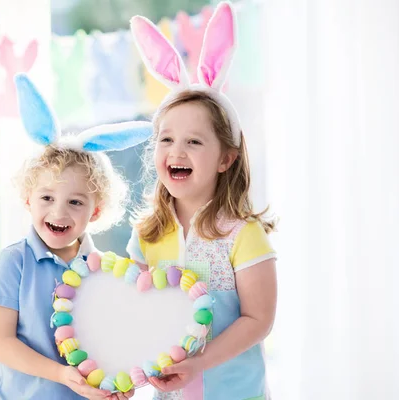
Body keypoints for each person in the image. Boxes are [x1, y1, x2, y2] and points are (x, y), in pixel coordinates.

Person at [127, 3, 277, 399]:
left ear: (226, 158)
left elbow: (258, 319)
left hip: (234, 392)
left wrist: (200, 363)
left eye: (194, 141)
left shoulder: (244, 235)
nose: (177, 151)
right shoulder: (146, 233)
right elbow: (135, 312)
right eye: (166, 139)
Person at [0, 74, 152, 400]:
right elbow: (1, 344)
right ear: (28, 199)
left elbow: (109, 341)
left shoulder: (102, 270)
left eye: (75, 202)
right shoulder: (13, 262)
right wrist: (61, 374)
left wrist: (117, 381)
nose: (59, 213)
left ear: (96, 212)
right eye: (47, 198)